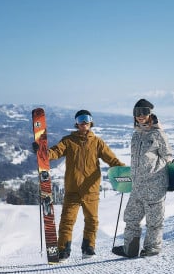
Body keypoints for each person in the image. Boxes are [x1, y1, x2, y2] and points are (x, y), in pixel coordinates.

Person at [34, 109, 125, 261]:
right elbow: (56, 152)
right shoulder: (68, 141)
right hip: (73, 190)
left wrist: (123, 170)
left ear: (91, 122)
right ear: (76, 123)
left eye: (86, 119)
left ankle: (88, 248)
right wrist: (43, 152)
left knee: (92, 221)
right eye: (80, 119)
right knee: (67, 221)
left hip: (91, 190)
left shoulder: (97, 143)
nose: (84, 122)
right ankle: (63, 250)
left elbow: (112, 160)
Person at [112, 99, 173, 258]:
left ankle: (151, 249)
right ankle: (130, 249)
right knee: (131, 217)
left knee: (154, 221)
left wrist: (171, 178)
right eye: (137, 113)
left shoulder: (157, 134)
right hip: (137, 186)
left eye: (144, 112)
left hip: (155, 185)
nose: (140, 116)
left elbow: (168, 157)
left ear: (150, 113)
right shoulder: (136, 134)